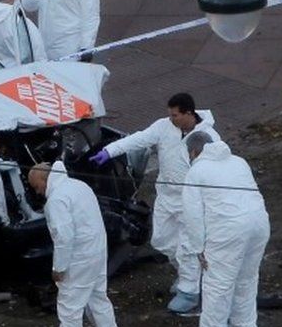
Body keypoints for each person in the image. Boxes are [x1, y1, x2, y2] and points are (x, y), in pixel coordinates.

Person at [89, 93, 220, 314]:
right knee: (162, 240)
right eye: (169, 114)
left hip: (191, 200)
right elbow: (139, 139)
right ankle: (189, 277)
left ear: (189, 113)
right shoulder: (163, 127)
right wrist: (109, 151)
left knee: (188, 246)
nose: (171, 118)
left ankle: (190, 291)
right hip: (167, 196)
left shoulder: (208, 137)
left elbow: (217, 172)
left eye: (175, 115)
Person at [28, 161, 125, 327]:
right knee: (98, 299)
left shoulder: (56, 200)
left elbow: (64, 237)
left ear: (45, 179)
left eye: (37, 186)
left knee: (69, 305)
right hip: (97, 251)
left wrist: (59, 268)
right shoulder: (78, 186)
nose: (38, 191)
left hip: (79, 257)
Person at [179, 131, 270, 327]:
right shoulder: (239, 161)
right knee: (247, 277)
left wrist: (198, 248)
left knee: (217, 282)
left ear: (193, 151)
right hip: (259, 223)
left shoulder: (196, 171)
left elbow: (192, 215)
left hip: (227, 230)